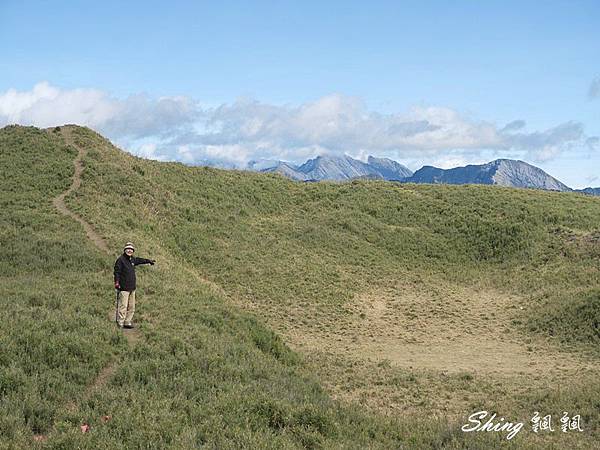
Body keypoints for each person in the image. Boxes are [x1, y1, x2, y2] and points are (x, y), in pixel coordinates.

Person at [113, 242, 155, 328]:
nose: (129, 251)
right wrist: (117, 282)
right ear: (125, 250)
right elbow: (117, 272)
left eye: (131, 249)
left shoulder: (132, 259)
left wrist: (148, 261)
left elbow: (140, 260)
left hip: (132, 287)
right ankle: (120, 322)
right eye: (128, 249)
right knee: (123, 306)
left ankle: (127, 322)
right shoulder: (120, 260)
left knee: (132, 307)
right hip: (123, 287)